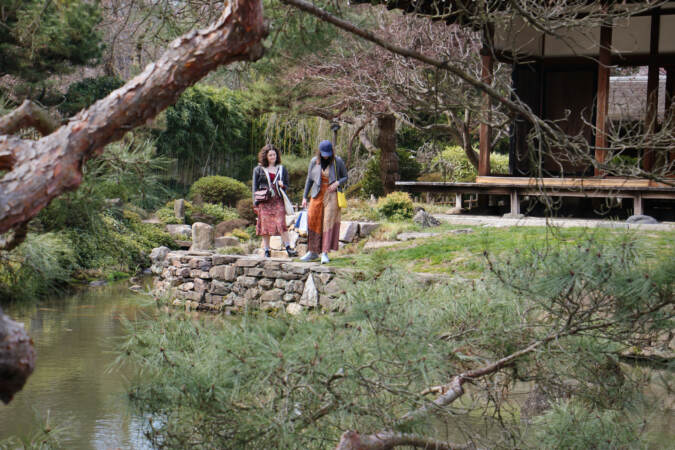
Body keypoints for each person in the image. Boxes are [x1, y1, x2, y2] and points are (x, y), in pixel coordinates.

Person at [300, 140, 348, 264]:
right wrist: (304, 197)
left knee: (328, 222)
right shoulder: (314, 162)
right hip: (316, 194)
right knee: (313, 220)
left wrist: (338, 183)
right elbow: (309, 180)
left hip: (332, 195)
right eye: (323, 153)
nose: (325, 155)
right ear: (319, 152)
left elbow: (345, 177)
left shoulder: (337, 161)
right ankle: (312, 252)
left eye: (328, 153)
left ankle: (325, 253)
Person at [252, 144, 297, 258]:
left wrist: (283, 185)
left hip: (278, 199)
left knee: (281, 223)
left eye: (274, 154)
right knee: (265, 226)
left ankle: (288, 247)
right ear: (266, 156)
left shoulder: (282, 169)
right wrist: (255, 203)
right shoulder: (258, 169)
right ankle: (267, 250)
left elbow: (287, 185)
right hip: (264, 200)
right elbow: (254, 187)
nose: (273, 157)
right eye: (270, 155)